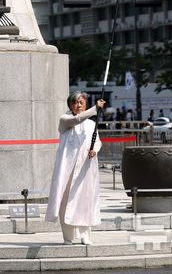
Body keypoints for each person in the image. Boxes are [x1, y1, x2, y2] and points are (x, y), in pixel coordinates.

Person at [45, 93, 106, 245]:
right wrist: (95, 108)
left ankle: (85, 235)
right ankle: (68, 237)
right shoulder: (65, 120)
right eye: (75, 103)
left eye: (81, 102)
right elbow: (77, 119)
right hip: (67, 170)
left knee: (85, 200)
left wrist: (95, 150)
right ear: (70, 105)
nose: (79, 105)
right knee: (66, 202)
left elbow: (98, 141)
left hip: (85, 169)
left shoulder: (92, 124)